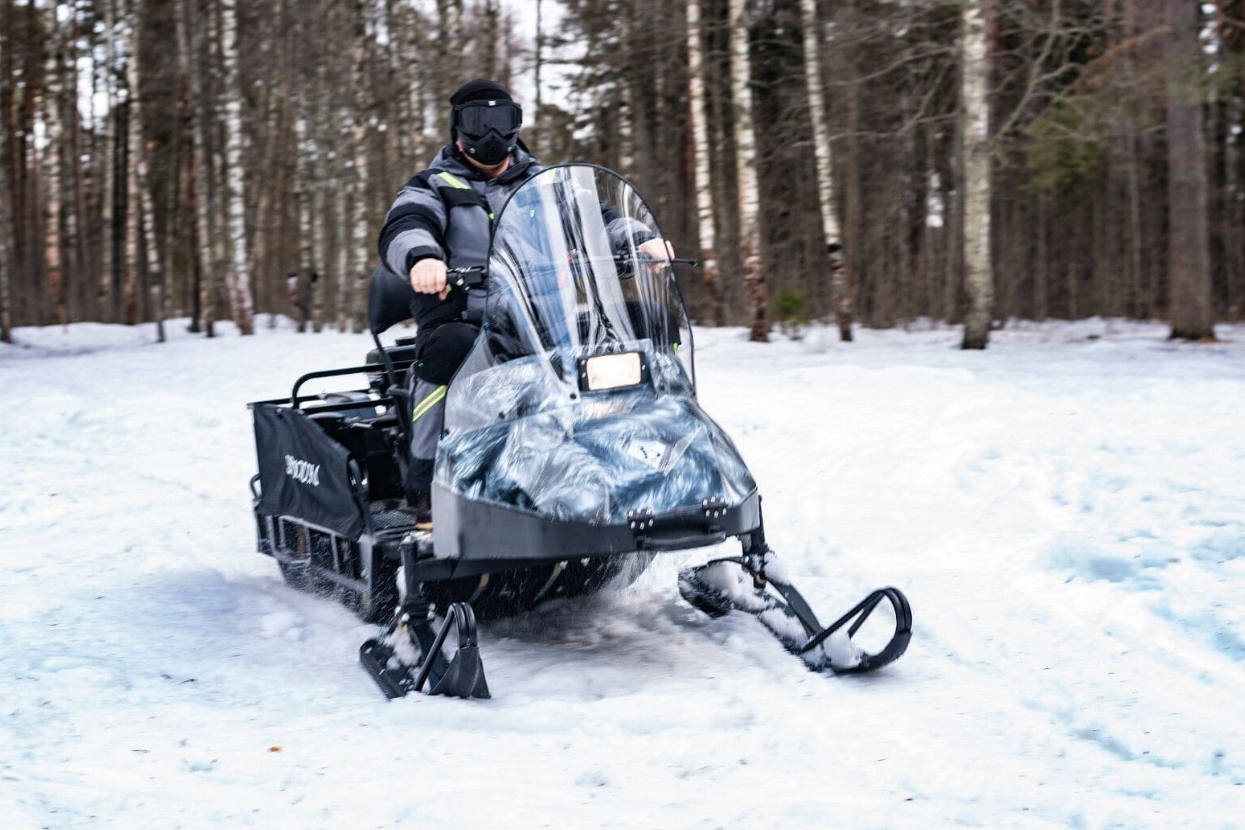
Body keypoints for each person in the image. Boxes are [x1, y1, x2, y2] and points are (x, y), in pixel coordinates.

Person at [377, 78, 673, 523]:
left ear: (516, 124)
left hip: (543, 321)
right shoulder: (433, 185)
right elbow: (407, 223)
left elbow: (595, 216)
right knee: (448, 349)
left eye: (502, 120)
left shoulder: (545, 183)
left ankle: (647, 460)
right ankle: (426, 483)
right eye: (479, 121)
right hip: (466, 321)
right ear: (458, 128)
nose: (492, 133)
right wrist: (423, 257)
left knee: (645, 322)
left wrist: (638, 239)